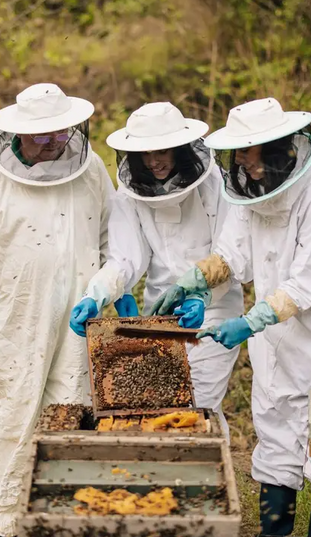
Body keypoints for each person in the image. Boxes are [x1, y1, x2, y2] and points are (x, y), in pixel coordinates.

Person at [151, 97, 311, 536]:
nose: (245, 164)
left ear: (279, 147)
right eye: (240, 155)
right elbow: (231, 255)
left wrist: (249, 321)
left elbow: (310, 283)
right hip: (273, 346)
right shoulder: (250, 196)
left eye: (250, 153)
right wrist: (191, 282)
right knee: (276, 436)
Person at [0, 83, 114, 537]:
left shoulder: (92, 168)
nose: (54, 141)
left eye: (60, 131)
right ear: (19, 134)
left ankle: (55, 518)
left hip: (80, 318)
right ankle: (2, 520)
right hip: (15, 316)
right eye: (43, 134)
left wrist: (116, 293)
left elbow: (109, 241)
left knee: (71, 411)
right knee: (15, 418)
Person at [69, 102, 244, 433]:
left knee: (199, 403)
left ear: (180, 148)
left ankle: (206, 476)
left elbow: (231, 253)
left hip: (216, 311)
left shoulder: (214, 186)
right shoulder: (131, 191)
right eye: (145, 154)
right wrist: (96, 294)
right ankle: (176, 479)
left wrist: (202, 296)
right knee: (163, 405)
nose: (153, 161)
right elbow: (125, 257)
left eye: (162, 150)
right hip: (160, 312)